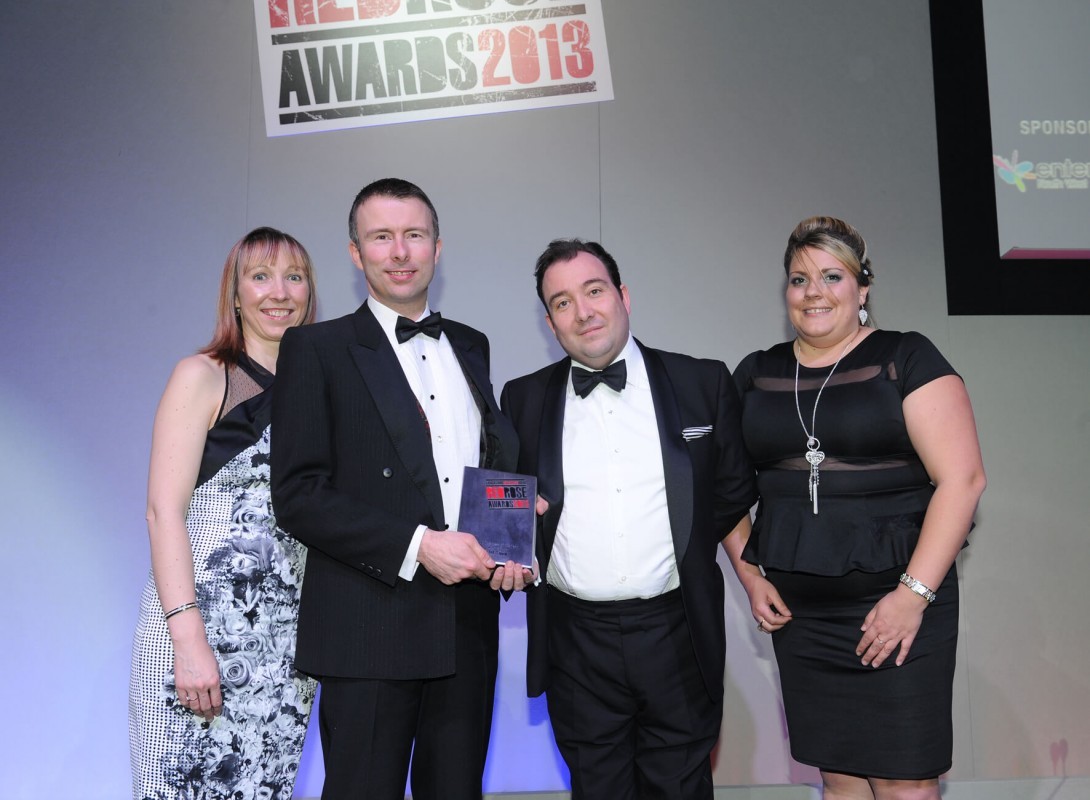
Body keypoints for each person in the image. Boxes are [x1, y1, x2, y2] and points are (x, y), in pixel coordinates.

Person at [270, 178, 527, 800]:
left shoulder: (470, 344)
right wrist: (419, 546)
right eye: (382, 237)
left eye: (414, 235)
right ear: (356, 253)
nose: (401, 251)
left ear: (438, 247)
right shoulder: (315, 347)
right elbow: (298, 494)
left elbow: (483, 459)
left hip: (466, 623)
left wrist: (511, 539)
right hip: (368, 623)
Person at [724, 216, 986, 800]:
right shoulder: (757, 373)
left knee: (904, 783)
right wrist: (749, 575)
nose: (813, 292)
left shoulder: (906, 356)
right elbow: (724, 488)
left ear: (862, 288)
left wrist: (911, 597)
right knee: (839, 780)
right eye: (799, 279)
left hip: (899, 608)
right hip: (802, 620)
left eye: (832, 276)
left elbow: (964, 480)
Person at [500, 239, 757, 800]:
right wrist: (508, 551)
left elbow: (730, 497)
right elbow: (509, 508)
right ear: (549, 322)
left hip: (677, 632)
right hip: (575, 642)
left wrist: (755, 579)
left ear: (623, 296)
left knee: (681, 788)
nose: (583, 311)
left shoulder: (702, 383)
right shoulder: (521, 399)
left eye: (594, 291)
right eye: (562, 302)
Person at [128, 227, 319, 800]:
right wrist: (188, 641)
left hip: (285, 652)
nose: (279, 292)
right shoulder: (205, 375)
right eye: (260, 276)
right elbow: (162, 512)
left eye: (294, 276)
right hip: (199, 632)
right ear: (235, 295)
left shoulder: (321, 391)